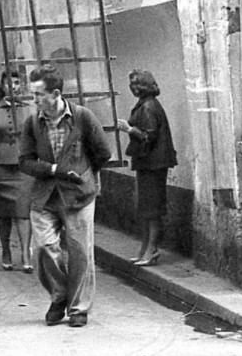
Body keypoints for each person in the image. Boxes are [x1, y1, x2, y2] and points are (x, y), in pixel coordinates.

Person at [19, 63, 112, 328]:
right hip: (45, 196)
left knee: (80, 251)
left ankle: (78, 308)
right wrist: (52, 169)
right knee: (44, 248)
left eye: (38, 95)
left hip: (78, 197)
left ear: (56, 93)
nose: (34, 100)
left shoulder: (83, 117)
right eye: (33, 94)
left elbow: (102, 153)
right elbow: (25, 161)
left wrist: (85, 175)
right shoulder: (32, 123)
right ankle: (59, 296)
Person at [116, 69, 177, 266]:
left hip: (153, 164)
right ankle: (146, 249)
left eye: (136, 84)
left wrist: (129, 129)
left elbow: (148, 136)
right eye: (132, 84)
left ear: (144, 85)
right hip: (149, 163)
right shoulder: (146, 104)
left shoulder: (149, 107)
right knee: (147, 209)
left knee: (151, 209)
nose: (133, 88)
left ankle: (151, 249)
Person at [0, 70, 34, 272]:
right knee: (3, 214)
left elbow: (34, 138)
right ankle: (6, 251)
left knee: (23, 213)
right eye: (10, 83)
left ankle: (26, 254)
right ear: (3, 86)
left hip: (24, 169)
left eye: (17, 83)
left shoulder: (29, 110)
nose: (14, 87)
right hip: (0, 168)